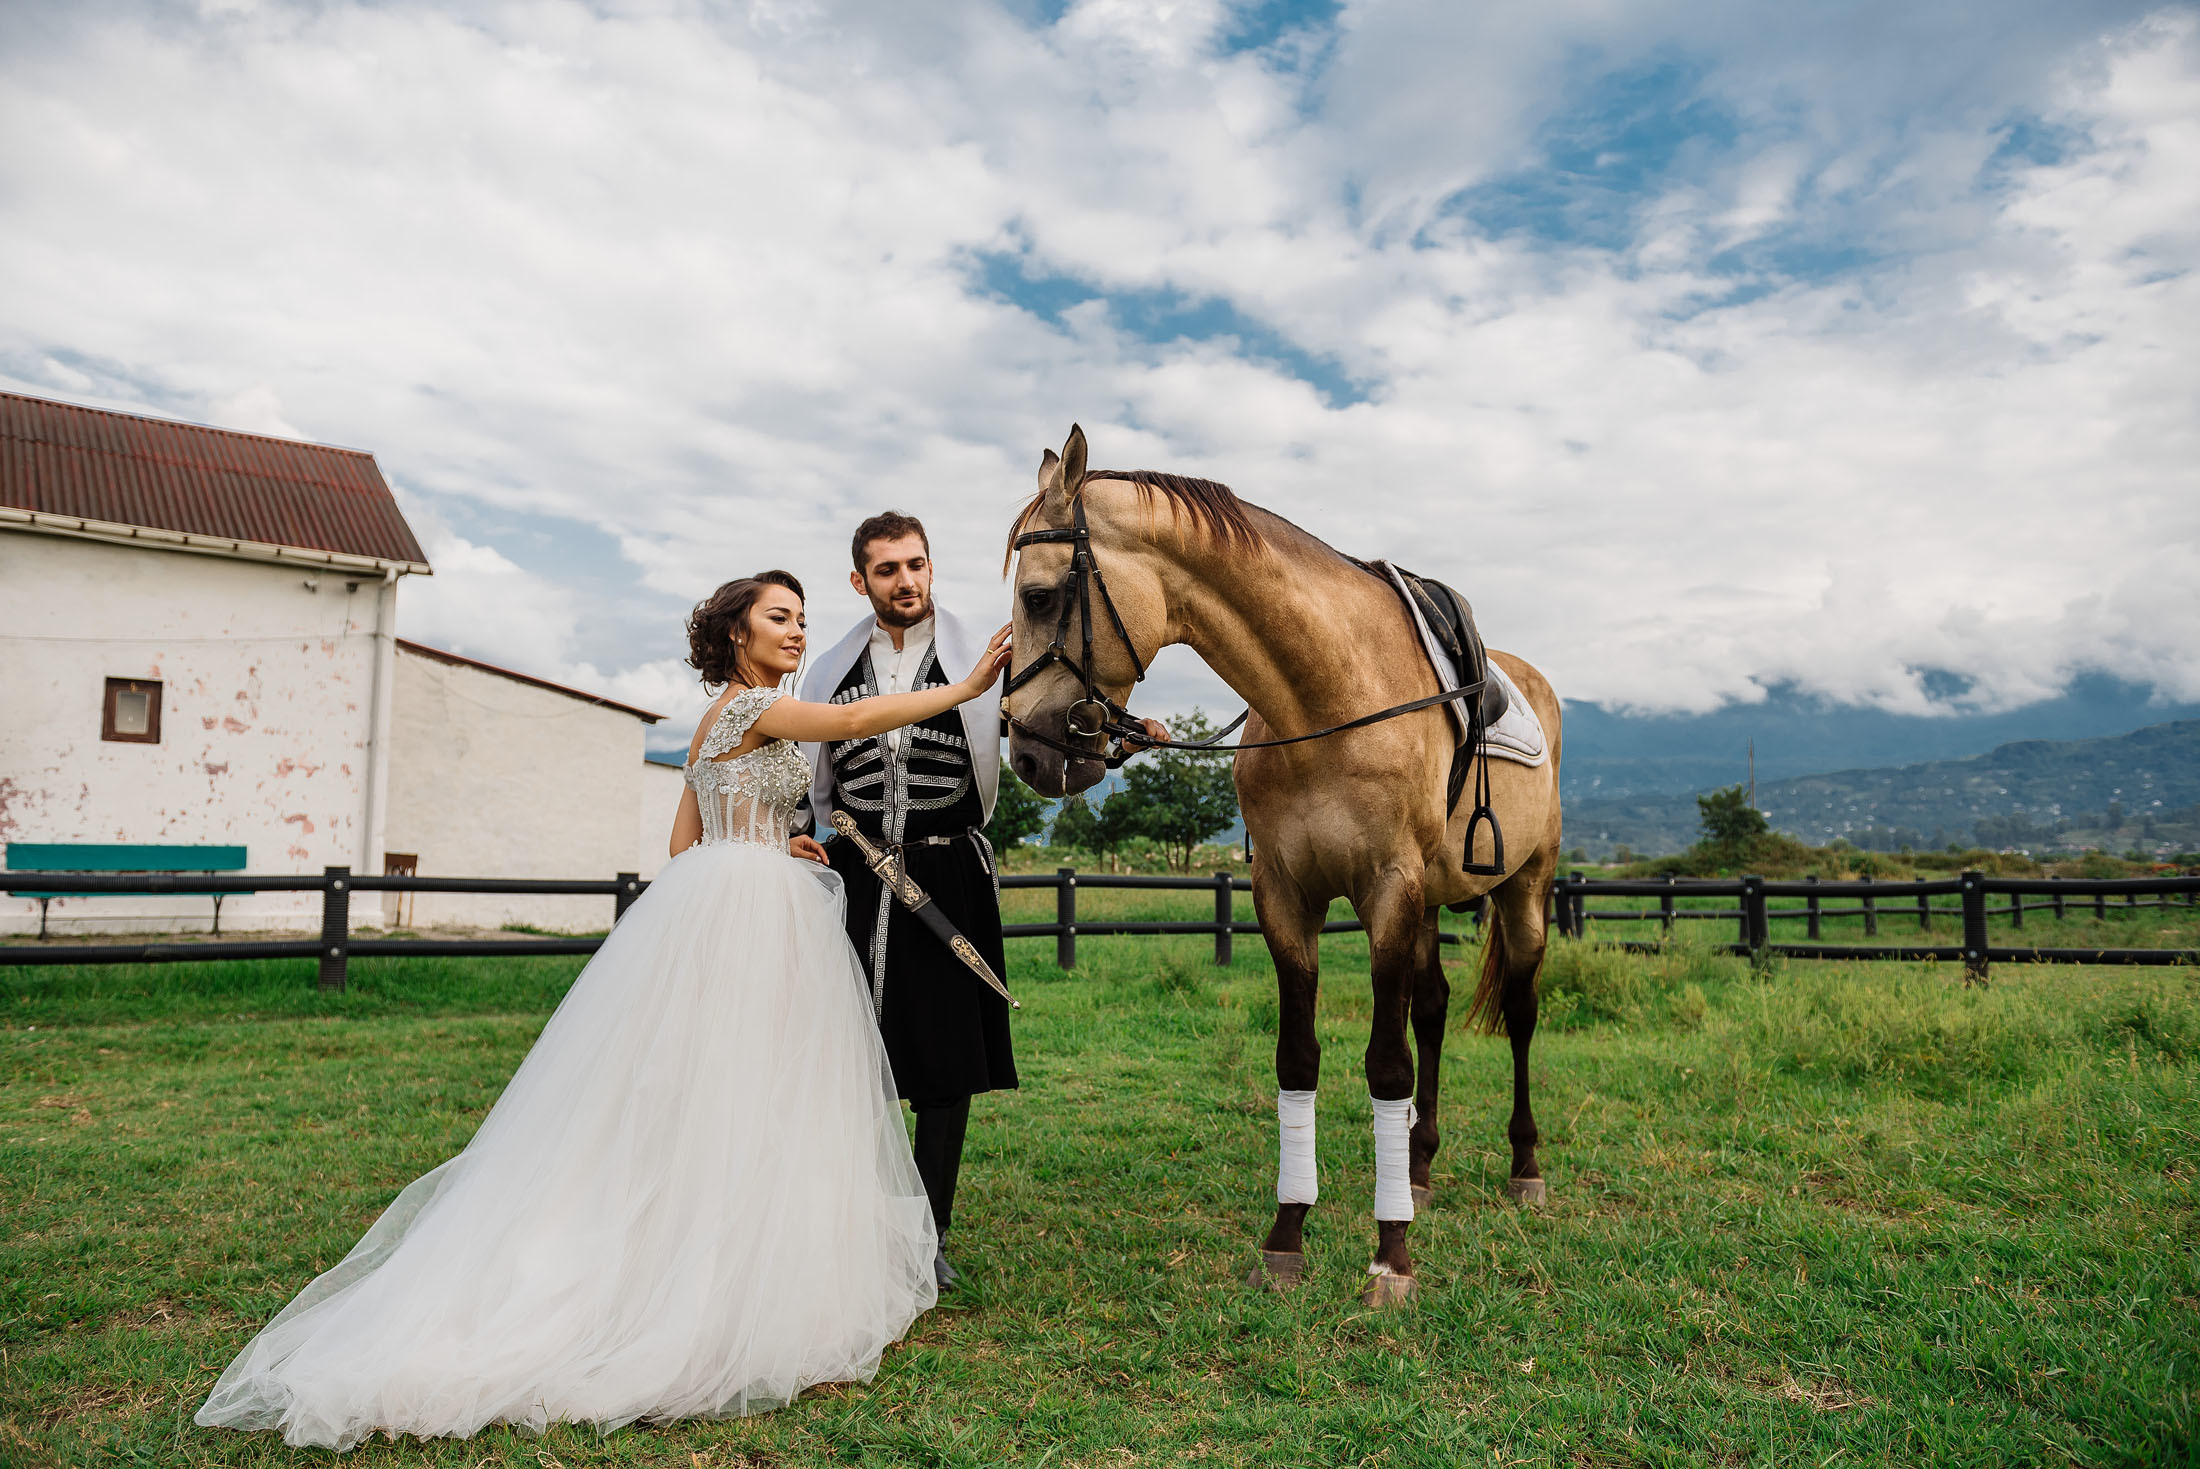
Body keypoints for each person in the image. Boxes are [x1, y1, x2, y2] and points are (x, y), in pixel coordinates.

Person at [194, 569, 1012, 1452]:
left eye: (802, 620)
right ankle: (713, 1278)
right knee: (747, 1082)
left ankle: (716, 1243)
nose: (796, 632)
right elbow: (851, 721)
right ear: (737, 634)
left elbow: (679, 842)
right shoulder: (748, 708)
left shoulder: (718, 722)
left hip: (725, 888)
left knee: (725, 1083)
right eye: (779, 617)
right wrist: (965, 691)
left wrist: (776, 837)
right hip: (751, 913)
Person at [798, 513, 1016, 1292]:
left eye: (916, 564)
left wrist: (1119, 736)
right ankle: (857, 1223)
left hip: (947, 873)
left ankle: (929, 1235)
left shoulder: (983, 658)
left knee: (946, 1066)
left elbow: (1043, 737)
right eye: (886, 569)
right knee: (852, 1062)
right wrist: (798, 835)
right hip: (854, 878)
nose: (905, 581)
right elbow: (802, 773)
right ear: (861, 581)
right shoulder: (827, 667)